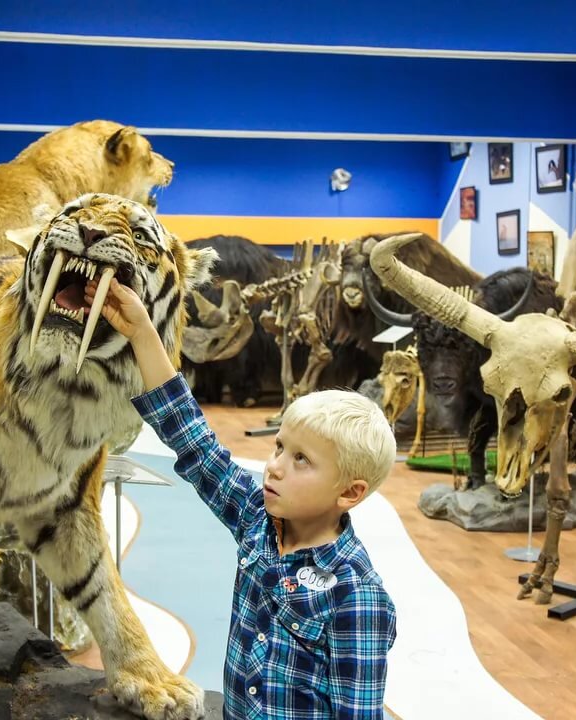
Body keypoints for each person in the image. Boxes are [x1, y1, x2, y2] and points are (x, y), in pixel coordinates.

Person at [85, 277, 398, 719]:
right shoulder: (259, 520)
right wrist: (141, 332)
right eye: (279, 448)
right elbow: (193, 440)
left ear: (350, 492)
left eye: (302, 460)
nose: (274, 466)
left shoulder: (357, 596)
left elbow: (358, 714)